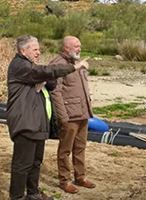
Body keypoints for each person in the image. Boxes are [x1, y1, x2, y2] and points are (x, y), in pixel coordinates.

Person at [6, 35, 88, 200]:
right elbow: (45, 72)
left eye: (39, 49)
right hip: (25, 123)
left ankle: (33, 193)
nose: (38, 52)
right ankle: (16, 197)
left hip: (38, 123)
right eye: (35, 49)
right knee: (22, 165)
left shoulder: (31, 68)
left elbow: (50, 82)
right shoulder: (19, 65)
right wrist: (75, 67)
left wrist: (44, 80)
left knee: (36, 162)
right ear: (23, 50)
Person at [50, 36, 96, 194]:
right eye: (76, 46)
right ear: (66, 48)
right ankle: (64, 180)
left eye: (80, 46)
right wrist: (63, 116)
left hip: (83, 114)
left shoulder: (79, 63)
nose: (79, 48)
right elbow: (55, 92)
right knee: (65, 150)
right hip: (69, 115)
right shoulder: (58, 64)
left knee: (80, 147)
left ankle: (80, 177)